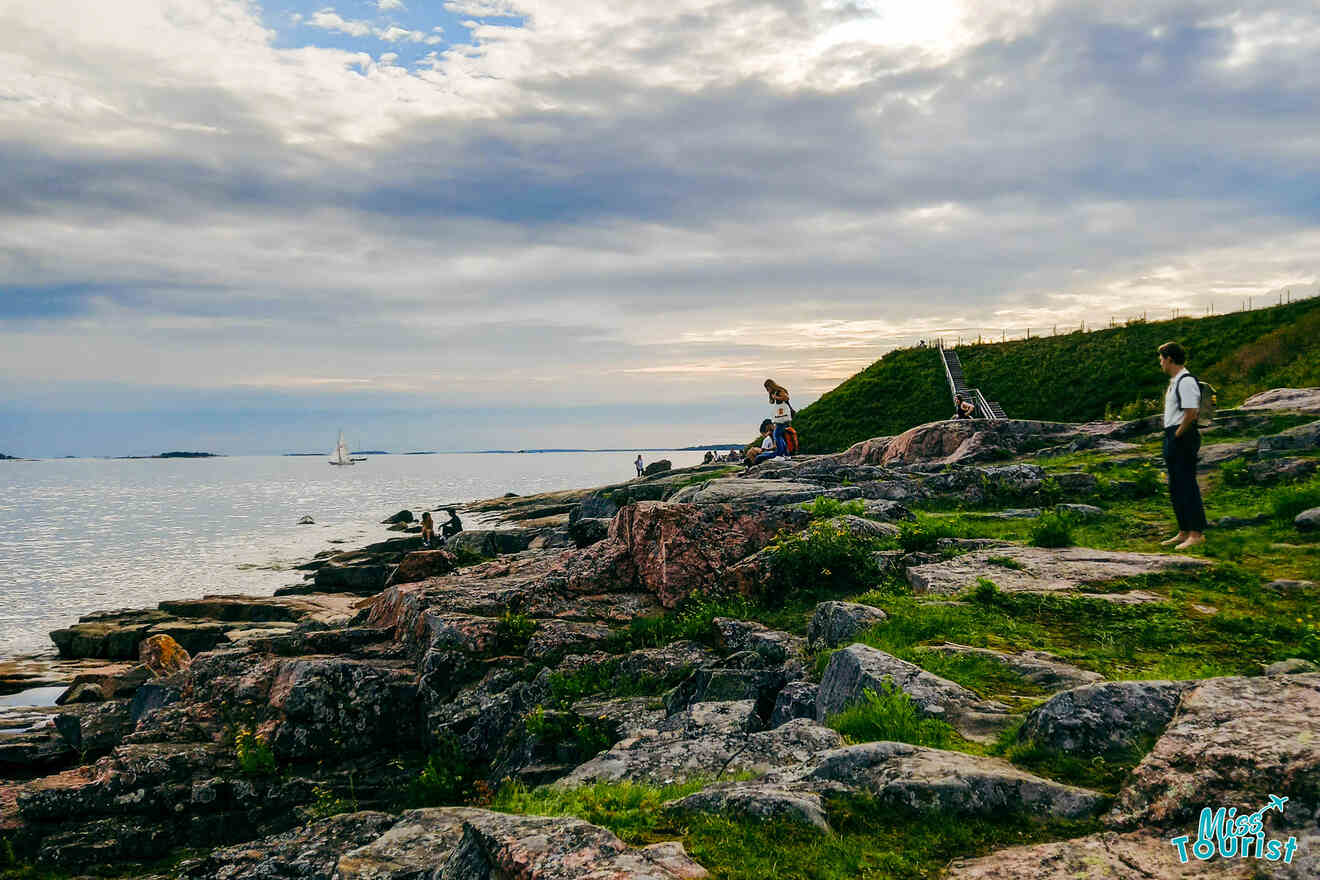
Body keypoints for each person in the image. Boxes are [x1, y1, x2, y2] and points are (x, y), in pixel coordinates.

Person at [1157, 342, 1207, 550]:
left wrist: (1176, 435)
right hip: (1174, 434)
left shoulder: (1185, 381)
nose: (1160, 363)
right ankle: (1183, 530)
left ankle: (1196, 533)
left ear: (1169, 358)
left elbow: (1191, 413)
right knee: (1176, 485)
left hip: (1182, 435)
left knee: (1187, 484)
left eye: (1161, 358)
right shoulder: (1175, 381)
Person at [765, 379, 794, 458]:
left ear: (770, 386)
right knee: (779, 435)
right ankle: (786, 454)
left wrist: (776, 397)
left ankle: (780, 454)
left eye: (767, 388)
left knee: (776, 435)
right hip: (781, 417)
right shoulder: (774, 392)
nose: (767, 390)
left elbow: (786, 398)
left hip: (783, 417)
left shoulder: (779, 390)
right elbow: (771, 402)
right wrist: (772, 397)